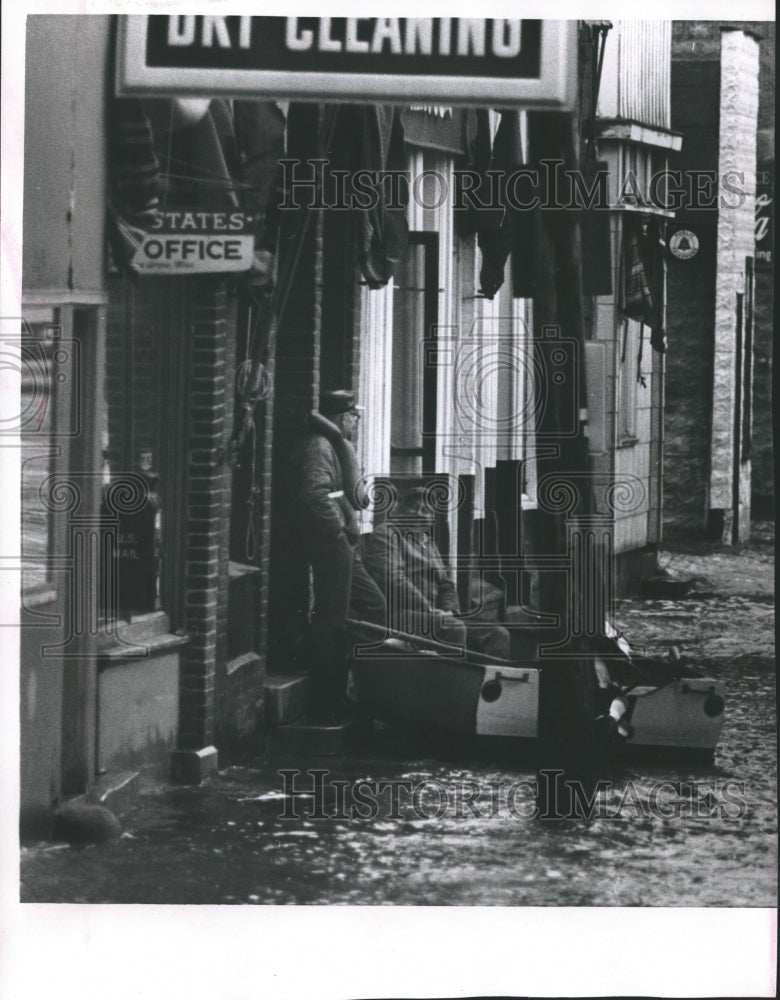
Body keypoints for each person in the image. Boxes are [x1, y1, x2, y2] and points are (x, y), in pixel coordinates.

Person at [289, 389, 386, 712]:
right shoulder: (319, 447)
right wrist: (337, 535)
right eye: (354, 417)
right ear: (344, 417)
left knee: (371, 604)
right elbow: (312, 496)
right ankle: (327, 696)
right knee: (331, 617)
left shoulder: (330, 444)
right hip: (331, 543)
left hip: (342, 542)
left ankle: (345, 683)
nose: (356, 424)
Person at [363, 485, 511, 660]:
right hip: (397, 614)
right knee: (452, 628)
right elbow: (392, 579)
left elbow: (446, 584)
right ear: (400, 510)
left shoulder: (428, 542)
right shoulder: (385, 534)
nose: (419, 513)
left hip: (434, 616)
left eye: (426, 510)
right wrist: (430, 609)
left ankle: (481, 683)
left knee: (497, 633)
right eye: (414, 507)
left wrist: (449, 610)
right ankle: (448, 684)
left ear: (432, 518)